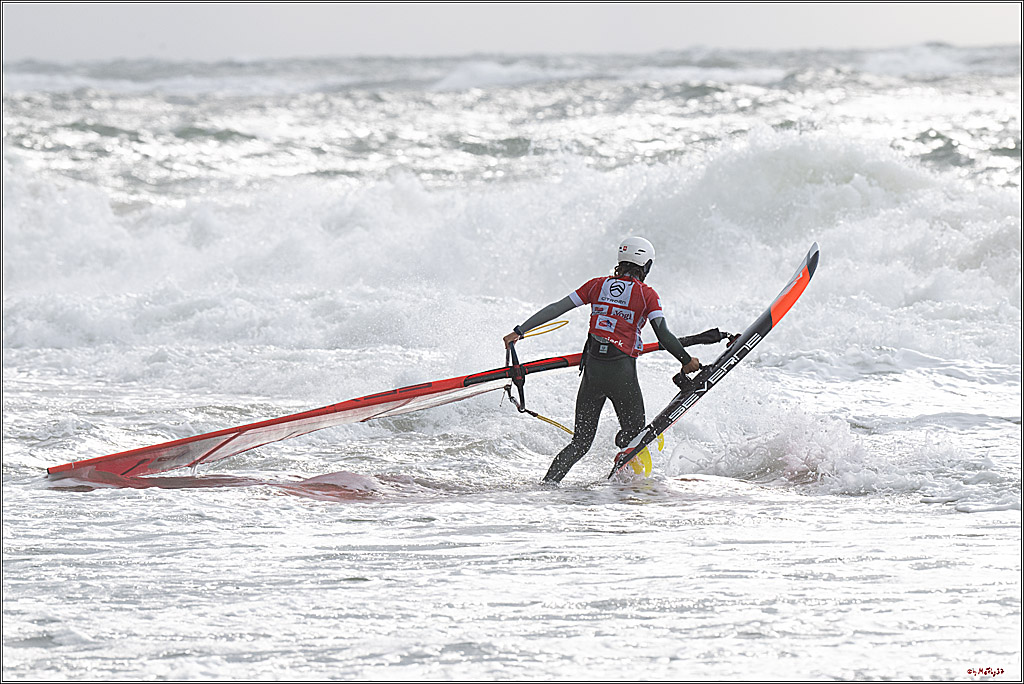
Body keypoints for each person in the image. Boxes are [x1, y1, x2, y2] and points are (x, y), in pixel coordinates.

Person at [503, 236, 699, 483]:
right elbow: (663, 333)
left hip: (593, 374)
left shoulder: (597, 285)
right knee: (636, 436)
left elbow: (557, 308)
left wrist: (519, 331)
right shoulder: (647, 294)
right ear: (646, 265)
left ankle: (547, 486)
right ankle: (624, 475)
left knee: (580, 442)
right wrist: (685, 359)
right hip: (621, 374)